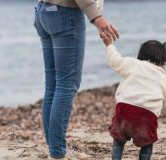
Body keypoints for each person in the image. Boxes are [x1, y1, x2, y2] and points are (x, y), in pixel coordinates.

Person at [34, 0, 119, 159]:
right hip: (65, 14)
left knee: (53, 86)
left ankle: (56, 149)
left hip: (44, 11)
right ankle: (58, 153)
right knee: (66, 85)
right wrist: (97, 17)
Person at [102, 34, 166, 160]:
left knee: (118, 141)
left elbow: (115, 61)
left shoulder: (133, 64)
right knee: (147, 145)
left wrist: (109, 45)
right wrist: (159, 112)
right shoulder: (162, 76)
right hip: (147, 115)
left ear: (141, 54)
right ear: (163, 59)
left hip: (124, 110)